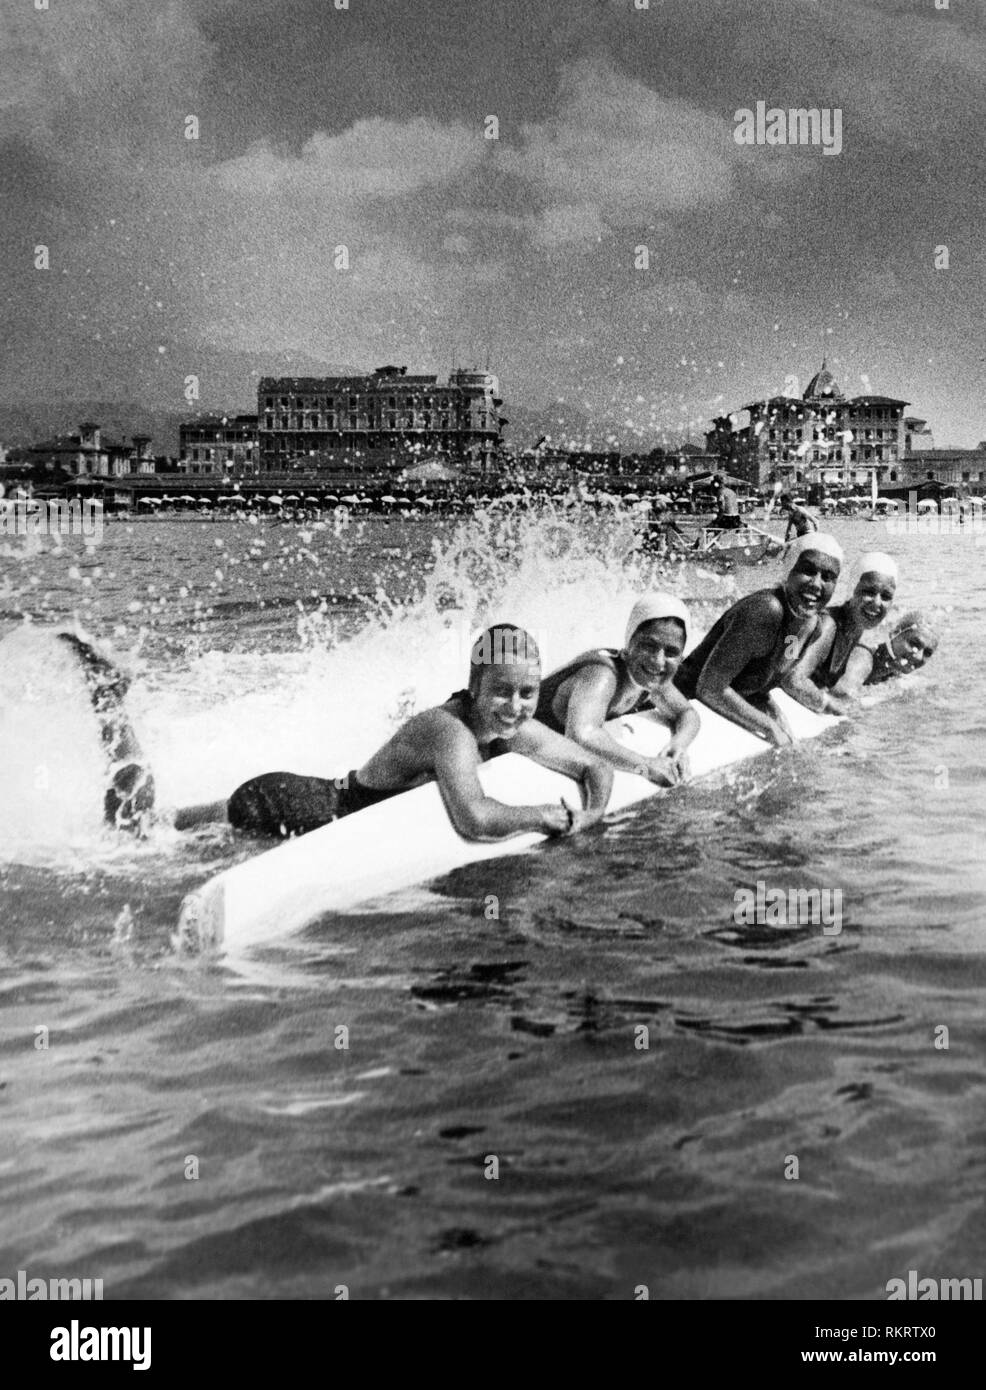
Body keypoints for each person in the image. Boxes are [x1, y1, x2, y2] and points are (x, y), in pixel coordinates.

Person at [175, 624, 614, 842]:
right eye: (501, 692)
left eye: (527, 692)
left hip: (313, 801)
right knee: (163, 837)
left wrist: (592, 815)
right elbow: (475, 819)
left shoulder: (511, 726)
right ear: (475, 687)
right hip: (290, 807)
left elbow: (592, 764)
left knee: (161, 826)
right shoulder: (450, 731)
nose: (516, 705)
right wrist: (540, 816)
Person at [672, 533, 844, 745]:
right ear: (789, 570)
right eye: (807, 571)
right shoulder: (765, 611)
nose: (817, 584)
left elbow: (776, 673)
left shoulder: (810, 626)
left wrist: (774, 708)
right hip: (678, 696)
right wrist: (769, 726)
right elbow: (709, 687)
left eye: (828, 577)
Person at [535, 595, 700, 786]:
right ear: (629, 644)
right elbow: (581, 735)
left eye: (671, 652)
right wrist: (645, 765)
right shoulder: (603, 675)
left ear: (681, 657)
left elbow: (686, 713)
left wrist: (678, 744)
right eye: (649, 646)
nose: (658, 661)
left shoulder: (653, 680)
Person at [781, 552, 898, 715]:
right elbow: (792, 679)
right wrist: (832, 706)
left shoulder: (855, 631)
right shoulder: (829, 625)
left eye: (886, 597)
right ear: (852, 589)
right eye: (869, 592)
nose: (877, 602)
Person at [827, 610, 940, 706]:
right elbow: (841, 694)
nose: (919, 656)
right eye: (914, 643)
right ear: (895, 632)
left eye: (927, 653)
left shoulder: (894, 672)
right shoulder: (864, 657)